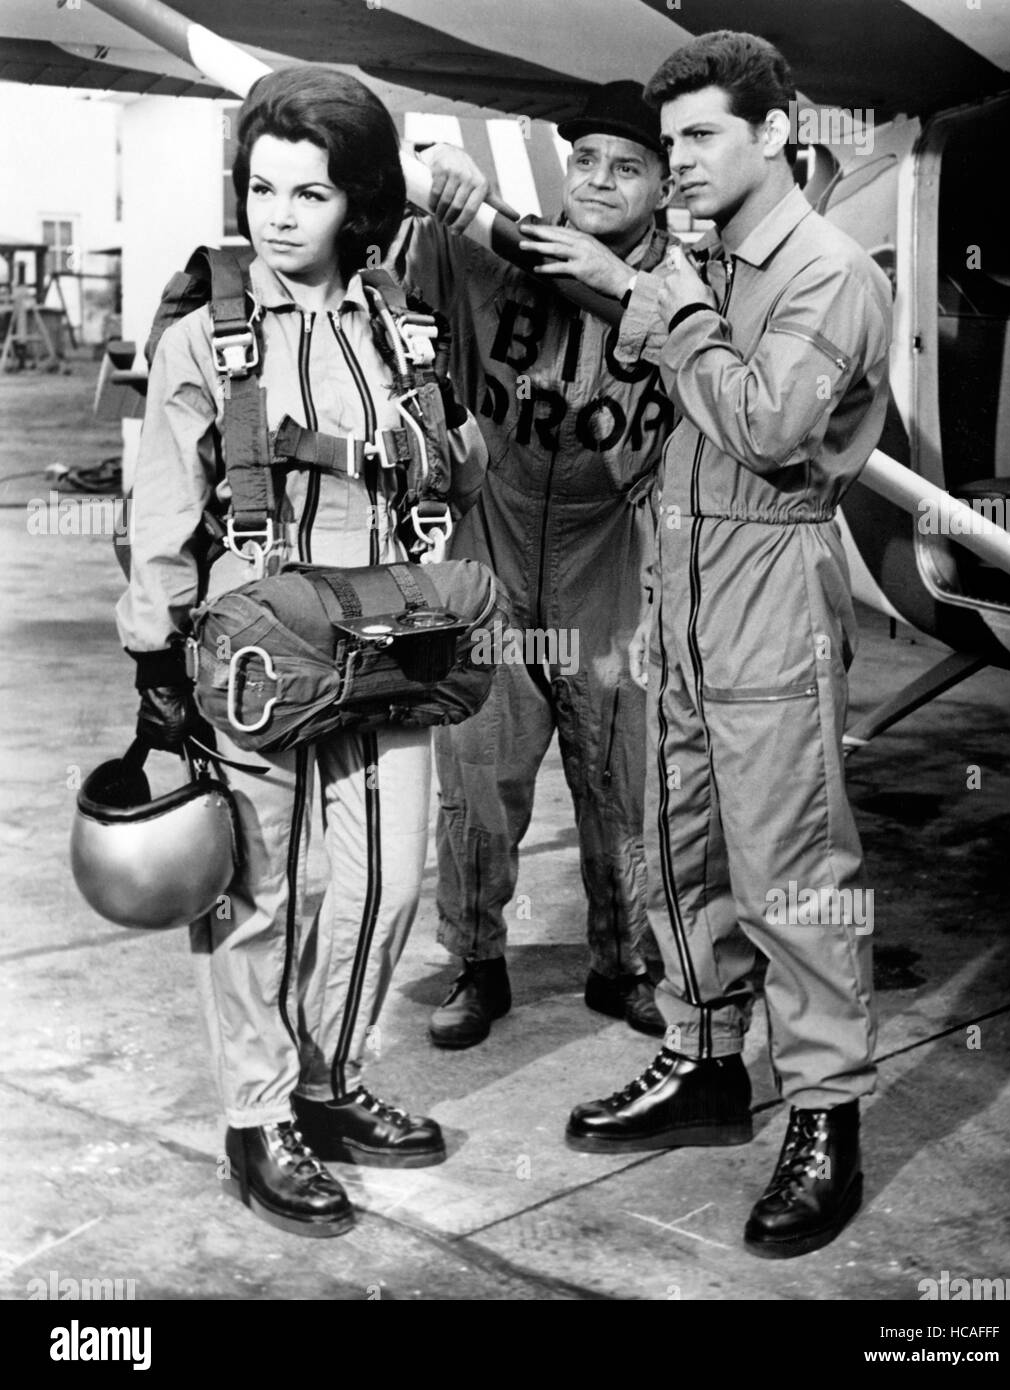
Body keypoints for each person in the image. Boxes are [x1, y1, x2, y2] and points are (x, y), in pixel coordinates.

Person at [116, 66, 487, 1237]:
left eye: (310, 193)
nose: (279, 215)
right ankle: (257, 1114)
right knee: (253, 891)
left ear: (358, 201)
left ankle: (327, 1082)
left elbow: (457, 462)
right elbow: (161, 513)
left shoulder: (404, 326)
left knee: (384, 885)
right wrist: (156, 663)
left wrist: (439, 433)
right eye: (262, 187)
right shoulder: (202, 338)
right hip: (257, 645)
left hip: (387, 633)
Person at [561, 32, 893, 1259]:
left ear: (775, 127)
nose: (677, 161)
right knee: (681, 837)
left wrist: (677, 317)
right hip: (685, 578)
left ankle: (823, 1114)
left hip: (770, 577)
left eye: (700, 135)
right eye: (670, 142)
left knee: (790, 863)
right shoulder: (703, 264)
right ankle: (701, 1057)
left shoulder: (825, 272)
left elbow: (763, 428)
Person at [392, 81, 677, 1049]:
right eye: (585, 160)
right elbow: (411, 270)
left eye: (626, 167)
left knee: (619, 777)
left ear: (664, 187)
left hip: (609, 552)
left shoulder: (679, 293)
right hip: (495, 539)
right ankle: (476, 963)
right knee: (475, 767)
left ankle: (623, 959)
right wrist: (440, 184)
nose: (598, 181)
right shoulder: (502, 258)